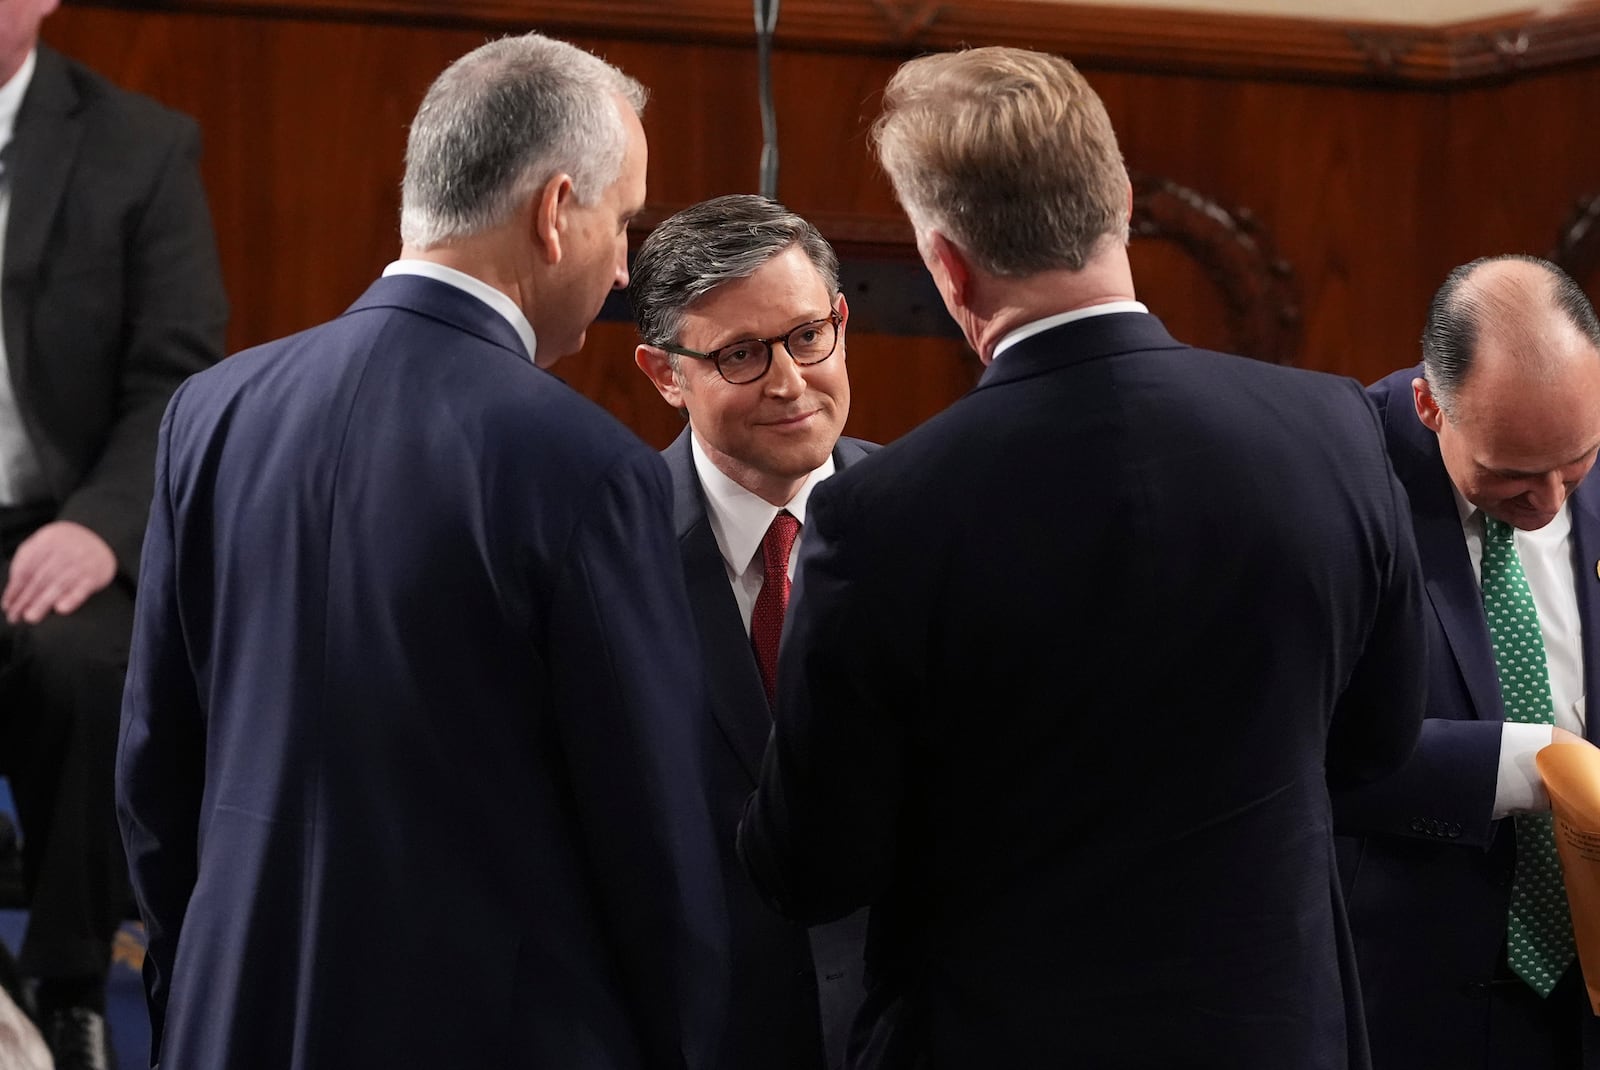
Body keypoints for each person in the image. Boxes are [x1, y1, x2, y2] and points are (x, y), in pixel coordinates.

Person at [737, 45, 1428, 1069]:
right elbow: (1378, 740)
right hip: (1276, 1031)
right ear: (1120, 204)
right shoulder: (1330, 429)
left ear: (947, 263)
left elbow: (813, 864)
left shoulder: (880, 517)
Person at [115, 32, 727, 1070]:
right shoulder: (588, 467)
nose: (625, 264)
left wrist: (198, 1003)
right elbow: (653, 845)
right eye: (622, 222)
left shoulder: (211, 413)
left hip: (233, 1016)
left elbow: (155, 781)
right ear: (553, 211)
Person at [0, 1, 228, 1066]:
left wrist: (100, 526)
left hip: (67, 507)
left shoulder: (138, 143)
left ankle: (68, 975)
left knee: (86, 660)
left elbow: (174, 373)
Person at [1337, 254, 1600, 1069]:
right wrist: (1544, 764)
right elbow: (1302, 736)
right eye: (1512, 477)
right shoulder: (1333, 476)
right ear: (1429, 405)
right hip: (1410, 997)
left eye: (1578, 462)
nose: (1551, 503)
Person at [631, 194, 871, 1070]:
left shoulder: (935, 521)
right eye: (741, 354)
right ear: (665, 373)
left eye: (808, 336)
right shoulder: (608, 551)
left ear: (840, 321)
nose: (789, 380)